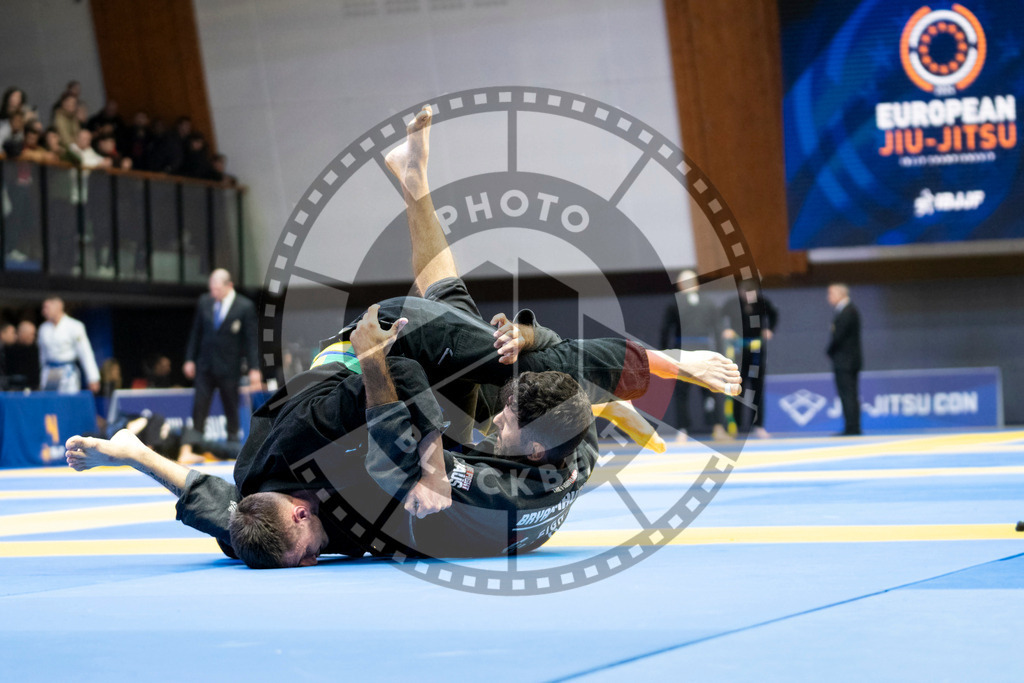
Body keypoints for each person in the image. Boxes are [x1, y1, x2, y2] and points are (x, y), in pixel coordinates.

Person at [67, 106, 740, 567]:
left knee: (482, 351)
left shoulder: (308, 442)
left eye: (306, 552)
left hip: (370, 351)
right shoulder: (268, 520)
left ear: (299, 516)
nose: (315, 558)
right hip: (410, 403)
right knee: (466, 314)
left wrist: (425, 432)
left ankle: (640, 366)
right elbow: (222, 511)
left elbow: (395, 389)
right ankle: (416, 183)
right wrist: (133, 454)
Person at [184, 269, 260, 441]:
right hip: (205, 365)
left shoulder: (244, 306)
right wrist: (189, 359)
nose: (213, 293)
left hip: (229, 366)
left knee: (231, 406)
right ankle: (195, 444)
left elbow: (250, 340)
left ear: (229, 286)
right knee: (199, 406)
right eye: (212, 289)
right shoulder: (205, 301)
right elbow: (196, 332)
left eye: (217, 289)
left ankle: (233, 443)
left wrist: (254, 368)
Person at [660, 269, 727, 441]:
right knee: (710, 389)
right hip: (704, 351)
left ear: (681, 285)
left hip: (682, 352)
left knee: (682, 393)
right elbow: (718, 331)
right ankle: (717, 427)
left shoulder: (674, 302)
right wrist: (721, 354)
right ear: (697, 284)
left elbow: (665, 332)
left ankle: (683, 430)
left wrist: (662, 356)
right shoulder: (709, 303)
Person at [722, 279, 778, 438]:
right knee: (737, 387)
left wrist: (769, 329)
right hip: (738, 350)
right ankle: (736, 426)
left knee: (757, 387)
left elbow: (774, 315)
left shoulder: (761, 303)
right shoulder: (732, 304)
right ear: (741, 293)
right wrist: (726, 329)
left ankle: (759, 425)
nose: (749, 298)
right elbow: (719, 318)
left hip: (757, 350)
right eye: (746, 295)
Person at [37, 297, 101, 394]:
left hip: (67, 371)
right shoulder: (43, 329)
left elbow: (85, 353)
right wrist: (41, 375)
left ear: (59, 306)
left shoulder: (75, 326)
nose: (44, 311)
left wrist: (93, 377)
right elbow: (42, 356)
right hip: (49, 371)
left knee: (69, 402)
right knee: (49, 402)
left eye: (47, 307)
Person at [827, 283, 862, 436]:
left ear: (839, 295)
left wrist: (829, 351)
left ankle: (852, 428)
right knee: (849, 394)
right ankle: (851, 426)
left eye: (831, 294)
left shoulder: (848, 311)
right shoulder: (845, 311)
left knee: (848, 394)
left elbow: (839, 337)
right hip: (847, 360)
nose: (829, 298)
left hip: (846, 361)